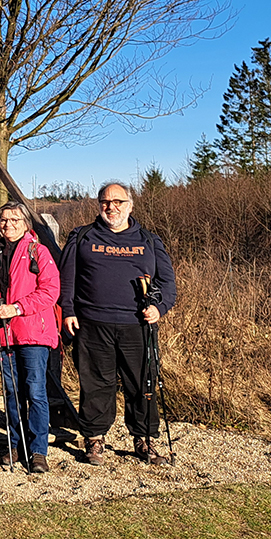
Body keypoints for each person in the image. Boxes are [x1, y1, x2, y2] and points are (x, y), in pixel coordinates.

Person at [59, 181, 177, 466]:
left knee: (142, 383)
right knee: (96, 384)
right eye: (105, 202)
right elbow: (66, 279)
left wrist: (159, 308)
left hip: (137, 325)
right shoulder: (82, 236)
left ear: (130, 205)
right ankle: (95, 438)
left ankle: (144, 439)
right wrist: (68, 311)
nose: (111, 207)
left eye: (118, 202)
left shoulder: (149, 240)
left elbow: (168, 283)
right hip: (92, 323)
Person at [0, 202, 59, 473]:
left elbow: (50, 290)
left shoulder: (38, 251)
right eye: (4, 219)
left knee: (35, 391)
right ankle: (15, 445)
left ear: (25, 223)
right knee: (12, 393)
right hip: (3, 331)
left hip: (33, 332)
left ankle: (38, 451)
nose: (8, 224)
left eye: (14, 219)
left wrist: (17, 308)